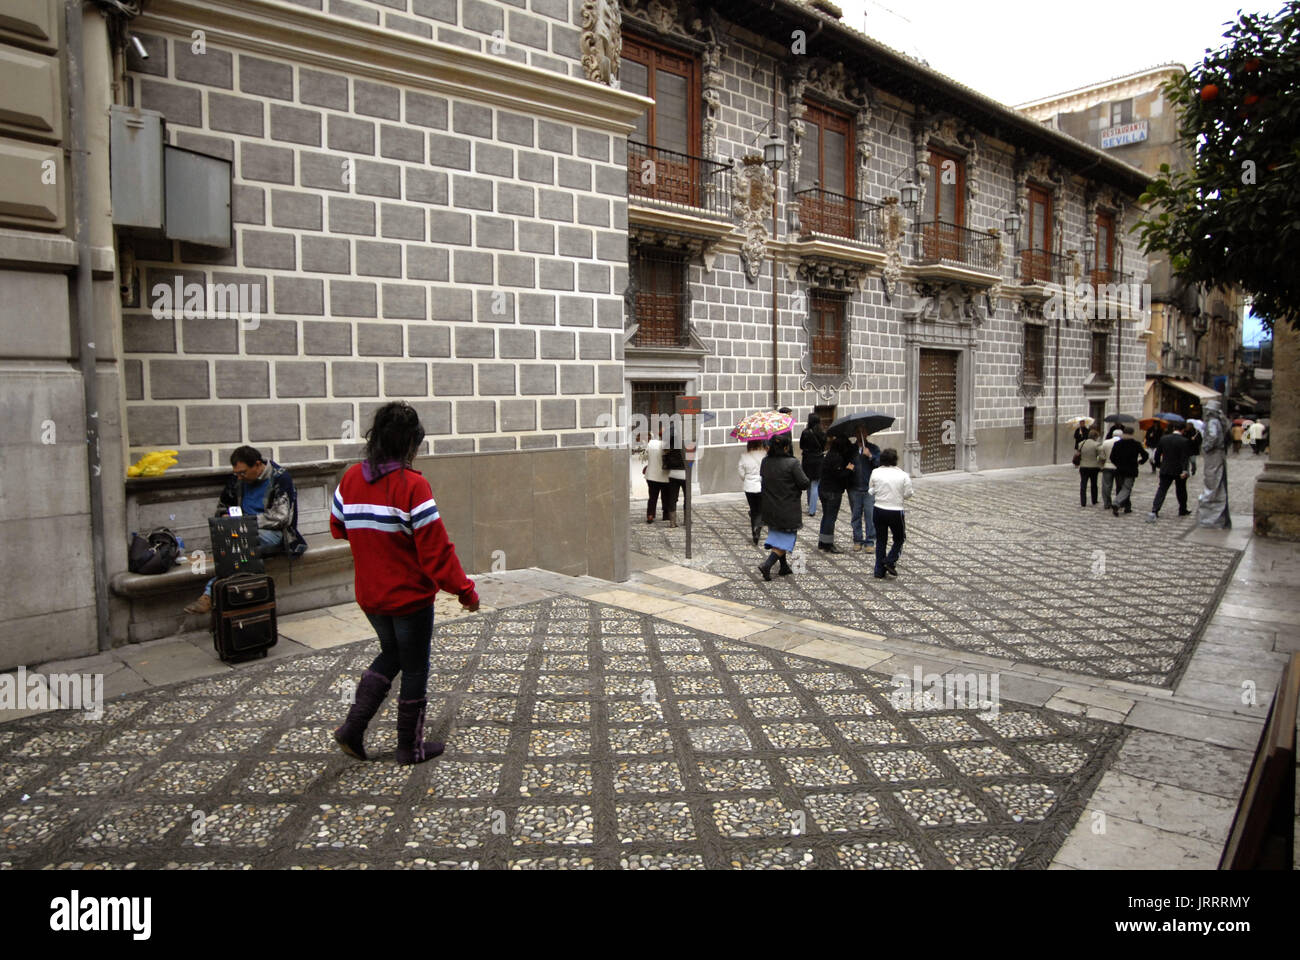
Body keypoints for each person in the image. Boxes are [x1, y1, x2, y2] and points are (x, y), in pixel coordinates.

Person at [330, 401, 479, 765]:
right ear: (411, 442)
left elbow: (338, 527)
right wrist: (465, 590)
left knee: (392, 654)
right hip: (408, 597)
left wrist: (375, 543)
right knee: (414, 667)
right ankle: (408, 747)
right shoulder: (413, 485)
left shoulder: (350, 478)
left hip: (370, 595)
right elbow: (436, 550)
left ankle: (352, 728)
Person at [184, 446, 307, 614]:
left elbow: (281, 518)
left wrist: (246, 523)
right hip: (239, 532)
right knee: (240, 550)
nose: (239, 477)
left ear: (257, 465)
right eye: (237, 473)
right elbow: (222, 508)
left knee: (239, 547)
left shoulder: (280, 477)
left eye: (243, 473)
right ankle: (219, 600)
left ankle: (209, 594)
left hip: (273, 533)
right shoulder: (237, 479)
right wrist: (226, 517)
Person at [757, 433, 810, 581]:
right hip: (787, 506)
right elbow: (804, 483)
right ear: (786, 447)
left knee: (777, 534)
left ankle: (784, 566)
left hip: (770, 506)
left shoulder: (765, 461)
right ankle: (767, 565)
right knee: (786, 538)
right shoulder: (792, 463)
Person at [868, 448, 913, 579]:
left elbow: (871, 488)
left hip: (879, 509)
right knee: (899, 538)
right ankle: (890, 560)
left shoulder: (875, 472)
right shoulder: (903, 475)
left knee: (881, 540)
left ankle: (879, 571)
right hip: (895, 510)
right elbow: (908, 493)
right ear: (895, 460)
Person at [817, 433, 855, 553]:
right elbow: (839, 475)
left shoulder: (829, 455)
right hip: (832, 491)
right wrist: (848, 470)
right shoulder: (837, 458)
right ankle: (828, 543)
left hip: (823, 489)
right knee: (830, 517)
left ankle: (822, 541)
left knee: (826, 515)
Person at [1146, 426, 1192, 522]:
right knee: (1181, 490)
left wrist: (1159, 465)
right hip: (1179, 470)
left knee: (1162, 489)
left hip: (1166, 468)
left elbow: (1157, 454)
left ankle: (1155, 509)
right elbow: (1185, 458)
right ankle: (1182, 509)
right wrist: (1185, 470)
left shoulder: (1164, 439)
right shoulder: (1184, 441)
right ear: (1182, 430)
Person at [1197, 397, 1231, 529]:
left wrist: (1205, 447)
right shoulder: (1217, 421)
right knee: (1216, 480)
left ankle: (1211, 515)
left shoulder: (1212, 422)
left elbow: (1213, 436)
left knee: (1212, 480)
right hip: (1218, 454)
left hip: (1213, 455)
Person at [848, 429, 882, 552]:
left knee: (870, 516)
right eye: (858, 432)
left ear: (866, 434)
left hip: (869, 488)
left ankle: (870, 541)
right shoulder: (850, 449)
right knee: (855, 515)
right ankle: (857, 540)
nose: (860, 435)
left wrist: (870, 456)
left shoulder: (873, 448)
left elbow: (880, 464)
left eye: (863, 432)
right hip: (854, 487)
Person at [1108, 427, 1149, 516]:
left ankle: (1127, 506)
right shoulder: (1136, 444)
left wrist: (1118, 464)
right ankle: (1117, 503)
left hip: (1119, 470)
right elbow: (1145, 455)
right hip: (1131, 469)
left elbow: (1112, 457)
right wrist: (1140, 461)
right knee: (1126, 488)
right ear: (1132, 433)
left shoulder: (1117, 444)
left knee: (1120, 488)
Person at [738, 439, 767, 546]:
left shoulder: (744, 456)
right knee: (760, 509)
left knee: (754, 509)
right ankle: (758, 527)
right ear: (760, 443)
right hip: (761, 486)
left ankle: (754, 533)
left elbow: (741, 472)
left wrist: (746, 479)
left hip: (749, 487)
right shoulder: (764, 454)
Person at [799, 413, 826, 517]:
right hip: (818, 460)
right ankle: (812, 509)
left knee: (809, 483)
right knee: (815, 484)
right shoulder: (822, 433)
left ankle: (810, 505)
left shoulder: (805, 432)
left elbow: (801, 445)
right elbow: (823, 448)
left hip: (807, 460)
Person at [662, 423, 687, 526]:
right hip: (685, 475)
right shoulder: (686, 444)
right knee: (687, 497)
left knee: (672, 498)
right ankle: (686, 520)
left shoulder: (668, 446)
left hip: (672, 474)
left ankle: (672, 522)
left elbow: (665, 459)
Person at [643, 429, 668, 525]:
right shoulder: (667, 446)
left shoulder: (652, 443)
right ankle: (666, 515)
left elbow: (645, 457)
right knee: (665, 496)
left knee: (652, 497)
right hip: (664, 476)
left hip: (651, 476)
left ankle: (650, 515)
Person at [1077, 428, 1103, 507]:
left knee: (1083, 484)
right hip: (1094, 466)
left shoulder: (1081, 443)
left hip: (1083, 466)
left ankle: (1083, 501)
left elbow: (1079, 453)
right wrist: (1100, 464)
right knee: (1094, 484)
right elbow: (1101, 456)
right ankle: (1094, 500)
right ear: (1095, 437)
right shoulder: (1097, 444)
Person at [1098, 427, 1123, 510]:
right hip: (1119, 467)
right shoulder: (1122, 443)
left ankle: (1107, 503)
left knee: (1106, 486)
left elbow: (1101, 456)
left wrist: (1103, 463)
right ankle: (1118, 502)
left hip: (1107, 466)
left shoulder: (1106, 442)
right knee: (1119, 485)